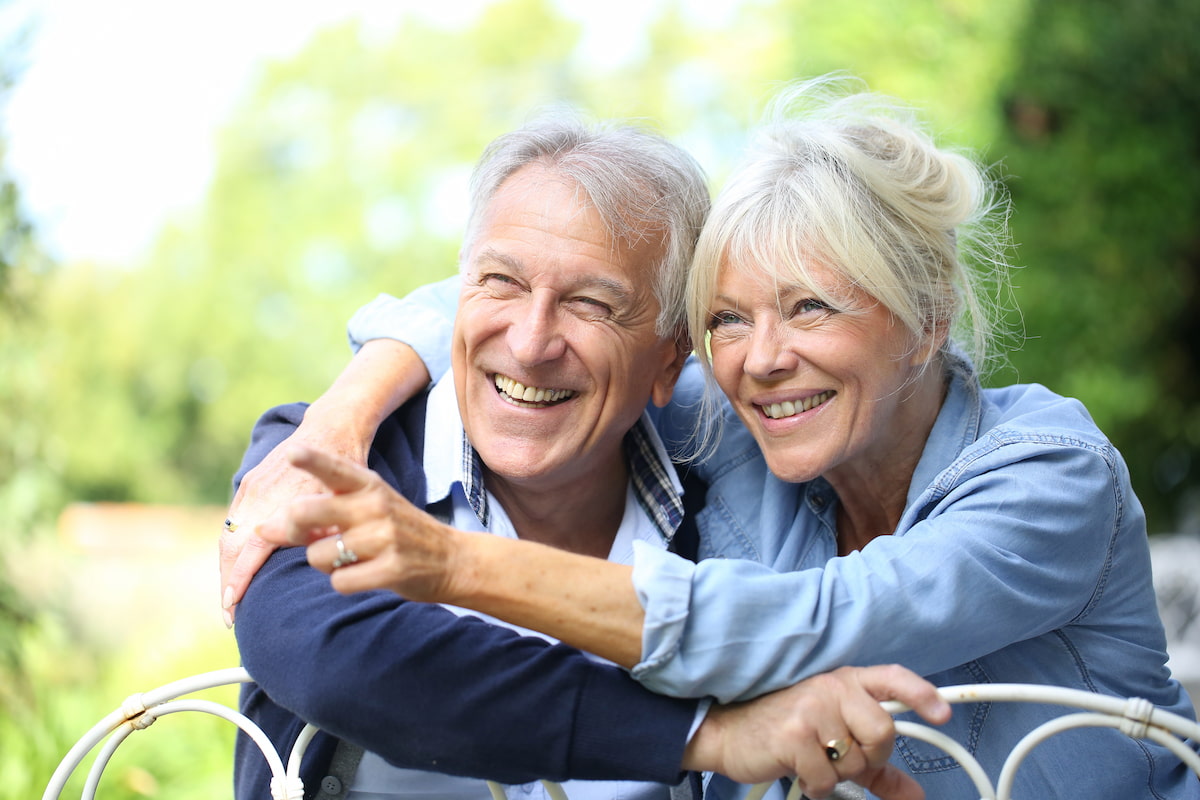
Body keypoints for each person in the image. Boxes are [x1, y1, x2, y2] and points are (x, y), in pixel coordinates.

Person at [229, 74, 1200, 798]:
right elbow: (547, 298)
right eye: (728, 319)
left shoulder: (1047, 470)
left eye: (809, 307)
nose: (759, 359)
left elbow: (825, 616)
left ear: (929, 316)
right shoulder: (738, 432)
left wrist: (445, 562)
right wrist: (350, 400)